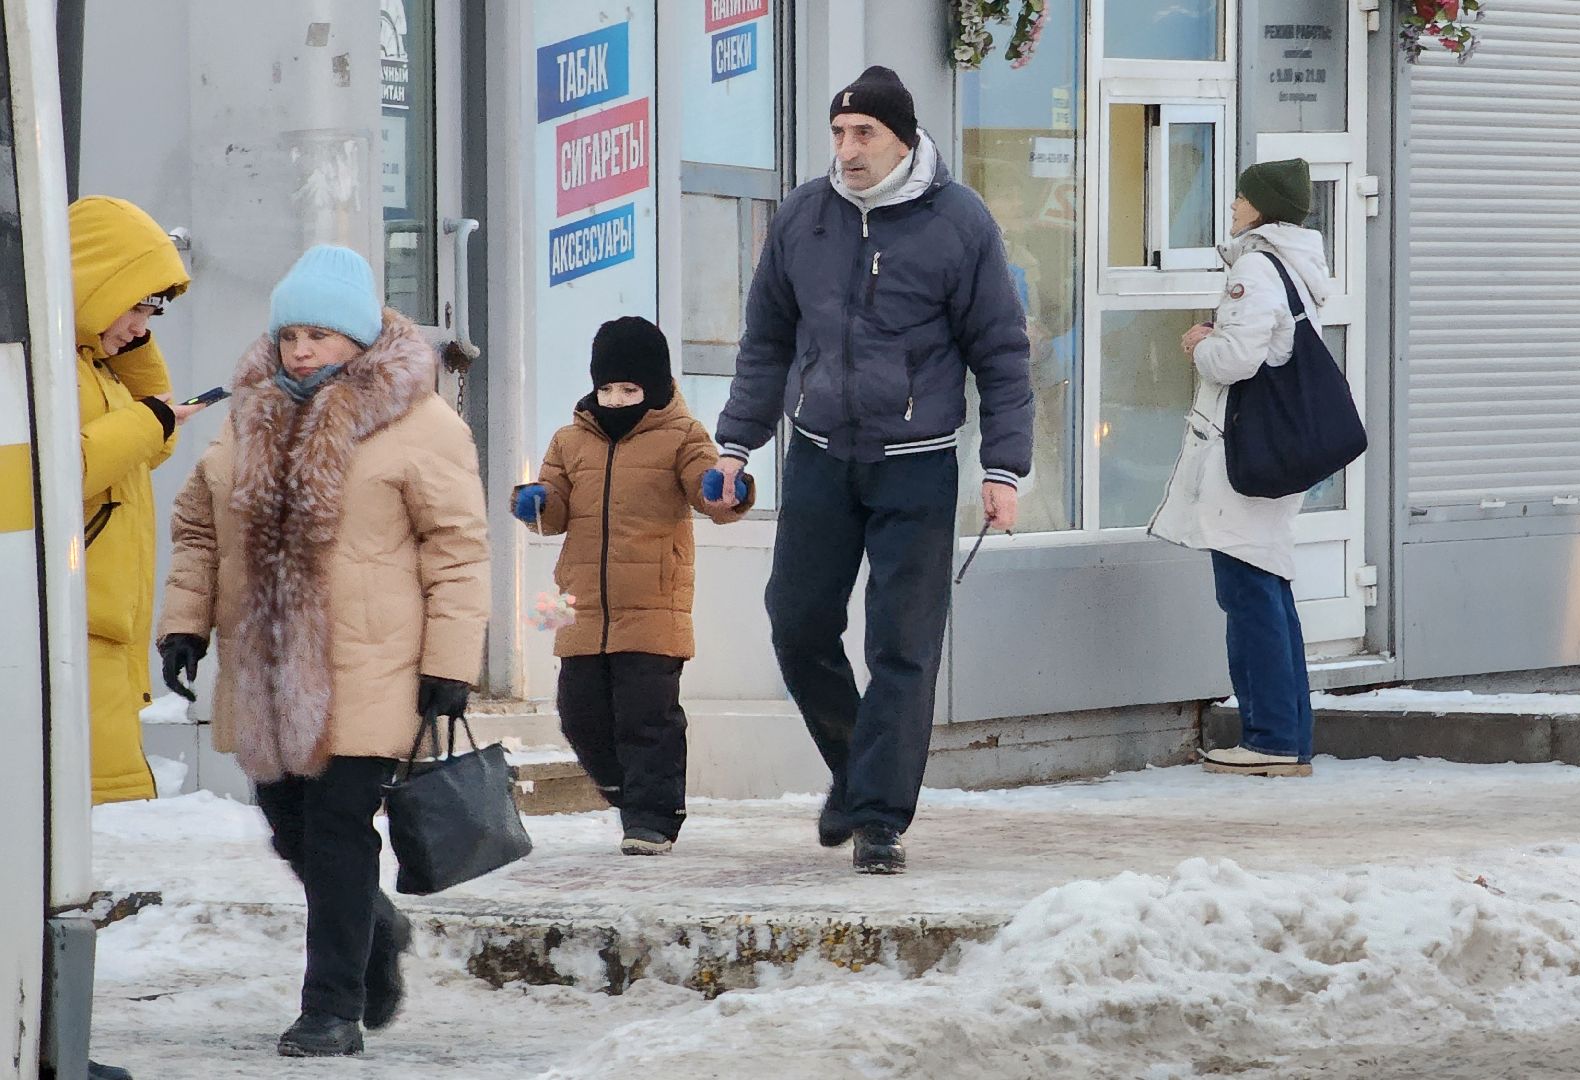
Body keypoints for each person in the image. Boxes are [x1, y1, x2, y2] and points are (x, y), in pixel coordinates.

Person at [156, 245, 489, 1057]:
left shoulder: (422, 423)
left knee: (340, 829)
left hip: (369, 664)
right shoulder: (252, 412)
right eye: (290, 335)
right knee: (288, 825)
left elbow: (458, 550)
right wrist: (185, 624)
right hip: (269, 668)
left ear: (361, 337)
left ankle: (331, 1008)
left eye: (321, 334)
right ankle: (376, 927)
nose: (302, 351)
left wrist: (450, 664)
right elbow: (200, 527)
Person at [712, 65, 1034, 874]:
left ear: (903, 140)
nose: (848, 149)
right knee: (797, 622)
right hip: (820, 454)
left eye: (865, 133)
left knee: (902, 645)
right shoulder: (804, 217)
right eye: (839, 132)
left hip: (916, 465)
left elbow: (1001, 353)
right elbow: (766, 340)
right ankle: (860, 775)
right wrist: (736, 443)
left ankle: (880, 818)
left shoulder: (958, 223)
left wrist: (1004, 467)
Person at [509, 315, 753, 856]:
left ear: (656, 386)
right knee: (579, 711)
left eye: (629, 389)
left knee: (647, 715)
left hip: (653, 603)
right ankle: (624, 791)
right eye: (607, 389)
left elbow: (707, 490)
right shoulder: (570, 440)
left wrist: (724, 490)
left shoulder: (682, 436)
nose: (616, 400)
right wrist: (536, 502)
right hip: (581, 604)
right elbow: (554, 508)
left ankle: (653, 818)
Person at [1148, 159, 1330, 779]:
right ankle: (1289, 738)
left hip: (1244, 454)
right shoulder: (1297, 265)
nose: (1232, 204)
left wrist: (1201, 342)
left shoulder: (1255, 267)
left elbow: (1237, 361)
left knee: (1248, 591)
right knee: (1268, 584)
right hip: (1276, 453)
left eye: (1242, 195)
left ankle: (1270, 739)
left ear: (1262, 206)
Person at [69, 195, 200, 806]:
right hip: (80, 621)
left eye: (153, 313)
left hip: (102, 622)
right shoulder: (46, 369)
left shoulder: (92, 365)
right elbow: (58, 471)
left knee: (107, 804)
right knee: (94, 806)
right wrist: (148, 419)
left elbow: (153, 446)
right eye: (138, 307)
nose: (142, 326)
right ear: (96, 286)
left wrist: (138, 358)